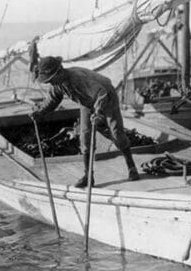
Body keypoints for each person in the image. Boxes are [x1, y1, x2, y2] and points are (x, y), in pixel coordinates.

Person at [30, 56, 140, 188]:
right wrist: (40, 112)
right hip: (87, 102)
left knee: (116, 133)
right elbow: (53, 100)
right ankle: (88, 176)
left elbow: (101, 93)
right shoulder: (57, 84)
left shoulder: (77, 78)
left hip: (106, 96)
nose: (51, 84)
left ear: (59, 72)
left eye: (51, 80)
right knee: (85, 136)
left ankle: (131, 167)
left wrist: (98, 113)